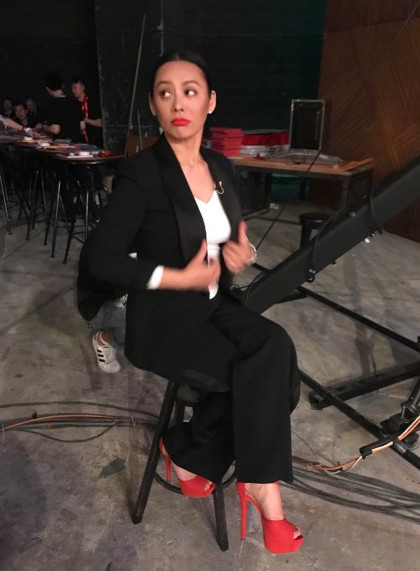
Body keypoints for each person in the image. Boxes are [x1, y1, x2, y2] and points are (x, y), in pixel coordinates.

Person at [87, 50, 303, 554]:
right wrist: (175, 276)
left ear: (210, 102)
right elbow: (101, 260)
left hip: (212, 304)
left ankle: (186, 449)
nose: (178, 103)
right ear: (153, 105)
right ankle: (263, 488)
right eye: (165, 93)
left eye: (190, 91)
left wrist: (240, 255)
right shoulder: (141, 173)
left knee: (276, 349)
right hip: (163, 321)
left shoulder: (221, 167)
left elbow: (231, 240)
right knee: (263, 380)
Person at [77, 236, 127, 374]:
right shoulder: (107, 240)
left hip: (121, 294)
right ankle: (105, 339)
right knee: (143, 322)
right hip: (101, 304)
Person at [43, 72, 85, 142]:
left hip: (62, 144)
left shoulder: (53, 104)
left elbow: (55, 130)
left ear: (48, 89)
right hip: (76, 143)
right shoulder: (75, 102)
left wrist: (45, 127)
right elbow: (82, 126)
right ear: (62, 86)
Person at [70, 76, 103, 147]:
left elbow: (99, 123)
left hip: (94, 142)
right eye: (72, 88)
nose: (73, 91)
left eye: (75, 88)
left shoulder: (92, 103)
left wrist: (83, 119)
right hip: (78, 142)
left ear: (82, 88)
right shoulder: (72, 105)